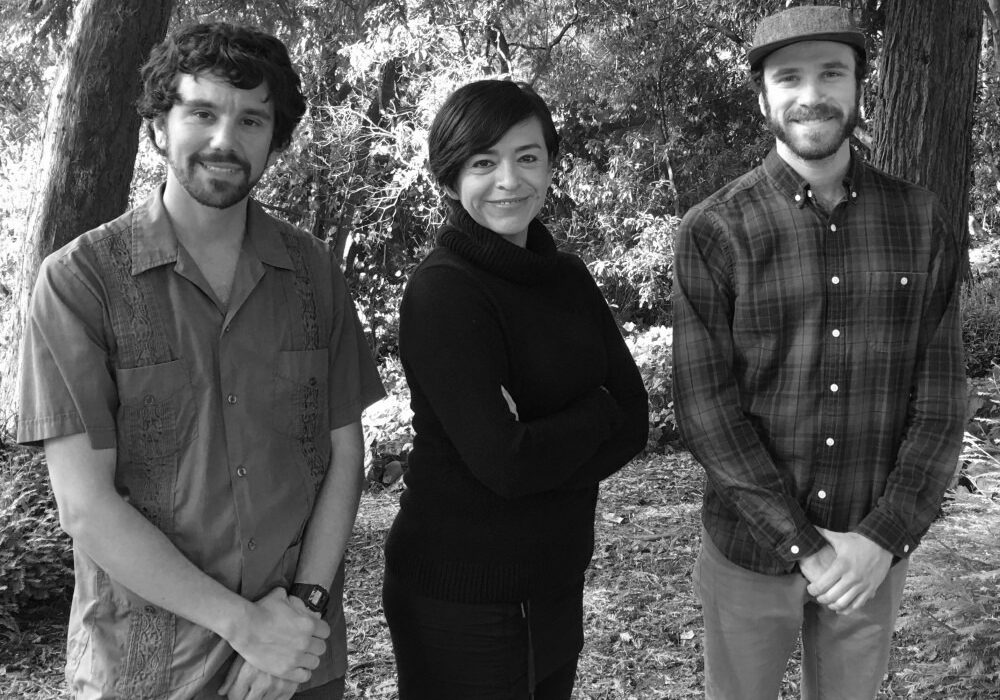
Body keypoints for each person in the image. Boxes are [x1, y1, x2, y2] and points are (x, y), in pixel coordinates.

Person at [17, 22, 385, 700]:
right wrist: (245, 627)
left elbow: (341, 456)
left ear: (275, 138)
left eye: (251, 120)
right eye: (202, 113)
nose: (225, 139)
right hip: (142, 672)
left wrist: (298, 618)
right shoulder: (81, 282)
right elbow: (86, 506)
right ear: (159, 126)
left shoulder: (312, 273)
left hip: (294, 669)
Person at [672, 5, 966, 699]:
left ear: (860, 85)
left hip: (870, 555)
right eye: (790, 76)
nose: (812, 94)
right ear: (762, 95)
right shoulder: (715, 230)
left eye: (832, 72)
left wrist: (884, 535)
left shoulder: (920, 220)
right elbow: (706, 412)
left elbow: (944, 398)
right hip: (750, 554)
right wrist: (802, 543)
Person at [380, 79, 649, 699]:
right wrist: (593, 412)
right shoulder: (444, 290)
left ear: (550, 165)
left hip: (555, 578)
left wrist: (542, 435)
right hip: (461, 598)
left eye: (528, 157)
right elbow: (506, 465)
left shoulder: (568, 278)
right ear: (449, 180)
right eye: (484, 162)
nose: (510, 180)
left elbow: (634, 420)